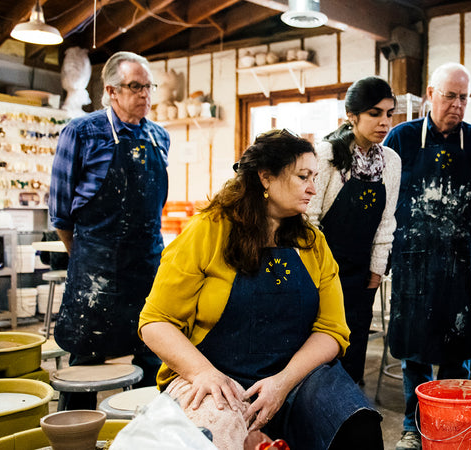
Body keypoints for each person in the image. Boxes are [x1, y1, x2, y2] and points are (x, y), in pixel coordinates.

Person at [139, 130, 383, 450]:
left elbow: (332, 330)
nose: (312, 188)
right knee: (217, 434)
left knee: (358, 426)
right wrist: (202, 373)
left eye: (314, 177)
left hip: (295, 377)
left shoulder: (313, 243)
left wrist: (283, 383)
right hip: (218, 377)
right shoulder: (208, 231)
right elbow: (155, 322)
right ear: (266, 178)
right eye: (302, 176)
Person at [383, 62, 471, 449]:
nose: (457, 105)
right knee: (413, 354)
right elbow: (383, 205)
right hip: (411, 262)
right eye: (449, 96)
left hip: (460, 264)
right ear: (430, 96)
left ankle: (451, 426)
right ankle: (412, 427)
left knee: (456, 353)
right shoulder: (401, 139)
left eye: (464, 97)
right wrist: (379, 254)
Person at [49, 51, 168, 410]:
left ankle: (147, 437)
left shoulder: (159, 137)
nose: (145, 94)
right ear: (112, 90)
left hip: (147, 270)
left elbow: (155, 205)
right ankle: (72, 435)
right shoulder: (82, 132)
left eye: (148, 86)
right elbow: (60, 214)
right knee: (85, 368)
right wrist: (89, 258)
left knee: (152, 361)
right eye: (136, 86)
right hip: (95, 278)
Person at [308, 76, 401, 384]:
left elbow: (386, 222)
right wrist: (316, 272)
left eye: (389, 113)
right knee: (320, 347)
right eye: (375, 113)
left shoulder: (391, 161)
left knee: (354, 344)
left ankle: (350, 411)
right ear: (352, 115)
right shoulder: (327, 155)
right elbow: (310, 219)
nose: (384, 122)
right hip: (323, 270)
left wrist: (376, 270)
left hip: (361, 273)